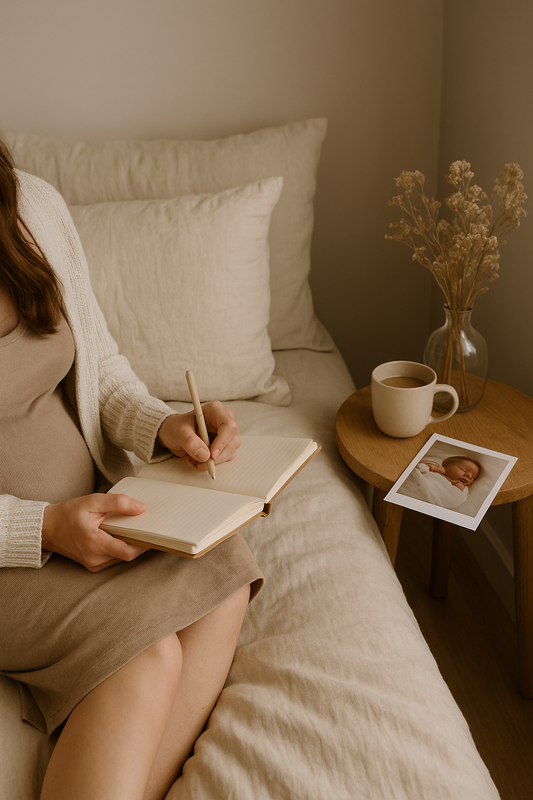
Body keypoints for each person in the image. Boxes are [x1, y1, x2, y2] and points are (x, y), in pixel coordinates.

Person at [0, 137, 263, 800]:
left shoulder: (32, 208)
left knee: (224, 571)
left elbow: (103, 369)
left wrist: (162, 428)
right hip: (15, 552)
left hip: (87, 514)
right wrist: (45, 529)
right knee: (145, 658)